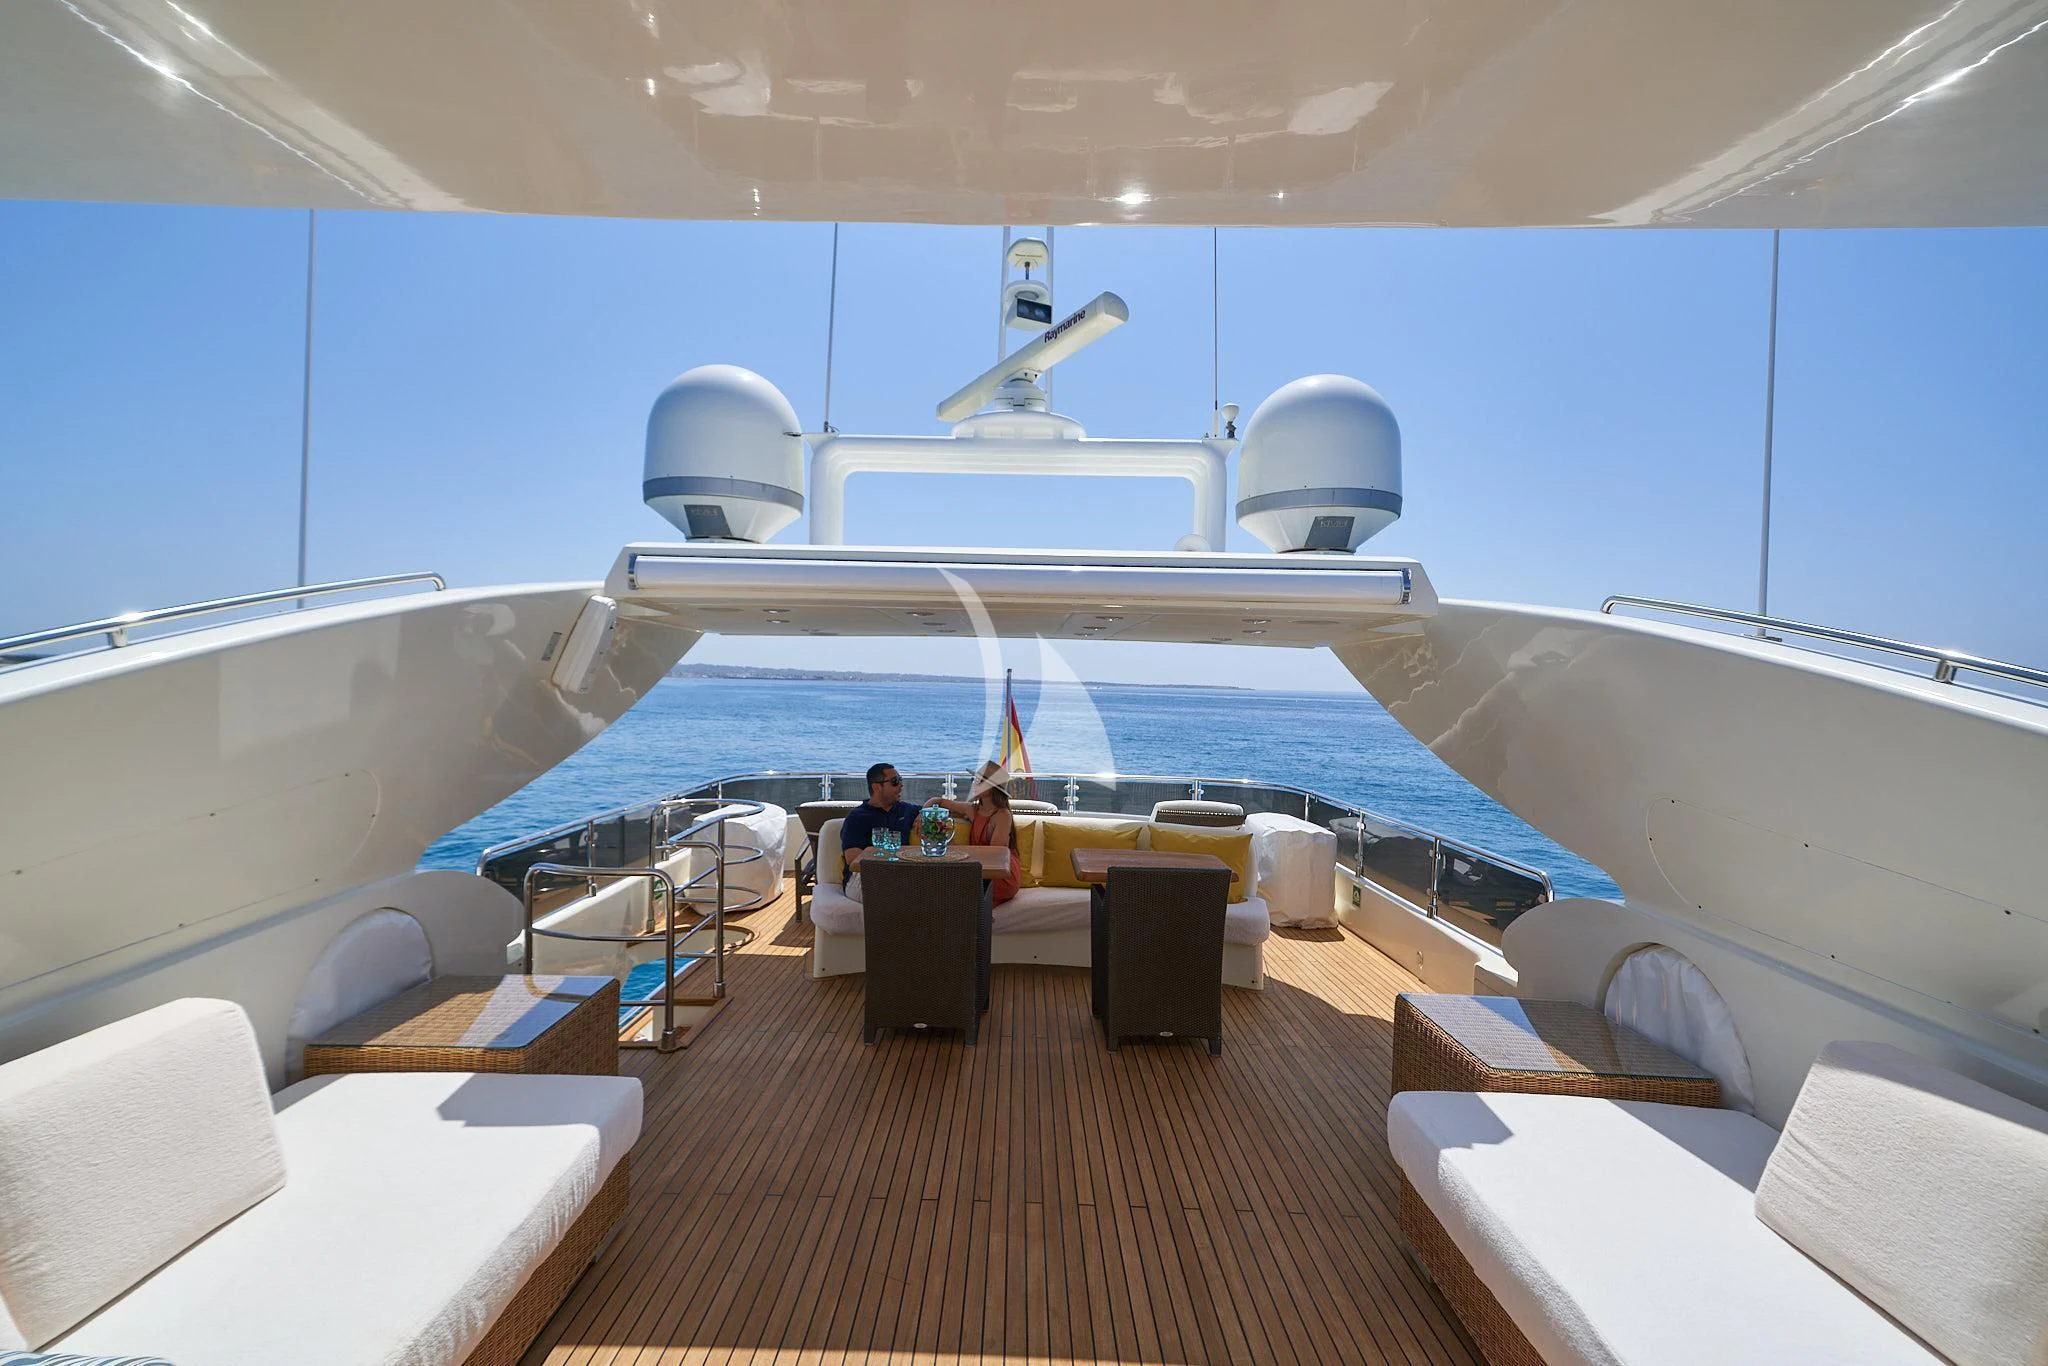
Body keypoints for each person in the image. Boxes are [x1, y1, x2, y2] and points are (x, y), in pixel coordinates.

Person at [929, 761, 1020, 905]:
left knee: (949, 889)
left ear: (990, 788)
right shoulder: (973, 809)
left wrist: (953, 846)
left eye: (977, 780)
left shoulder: (1002, 815)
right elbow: (938, 801)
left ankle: (978, 918)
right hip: (979, 870)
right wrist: (922, 815)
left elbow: (994, 856)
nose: (973, 783)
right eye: (974, 779)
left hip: (1000, 876)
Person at [839, 761, 920, 889]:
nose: (901, 785)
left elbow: (940, 806)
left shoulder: (906, 810)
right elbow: (853, 861)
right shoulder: (857, 817)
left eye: (900, 779)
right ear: (877, 787)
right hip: (864, 878)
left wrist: (930, 806)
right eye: (895, 781)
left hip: (900, 876)